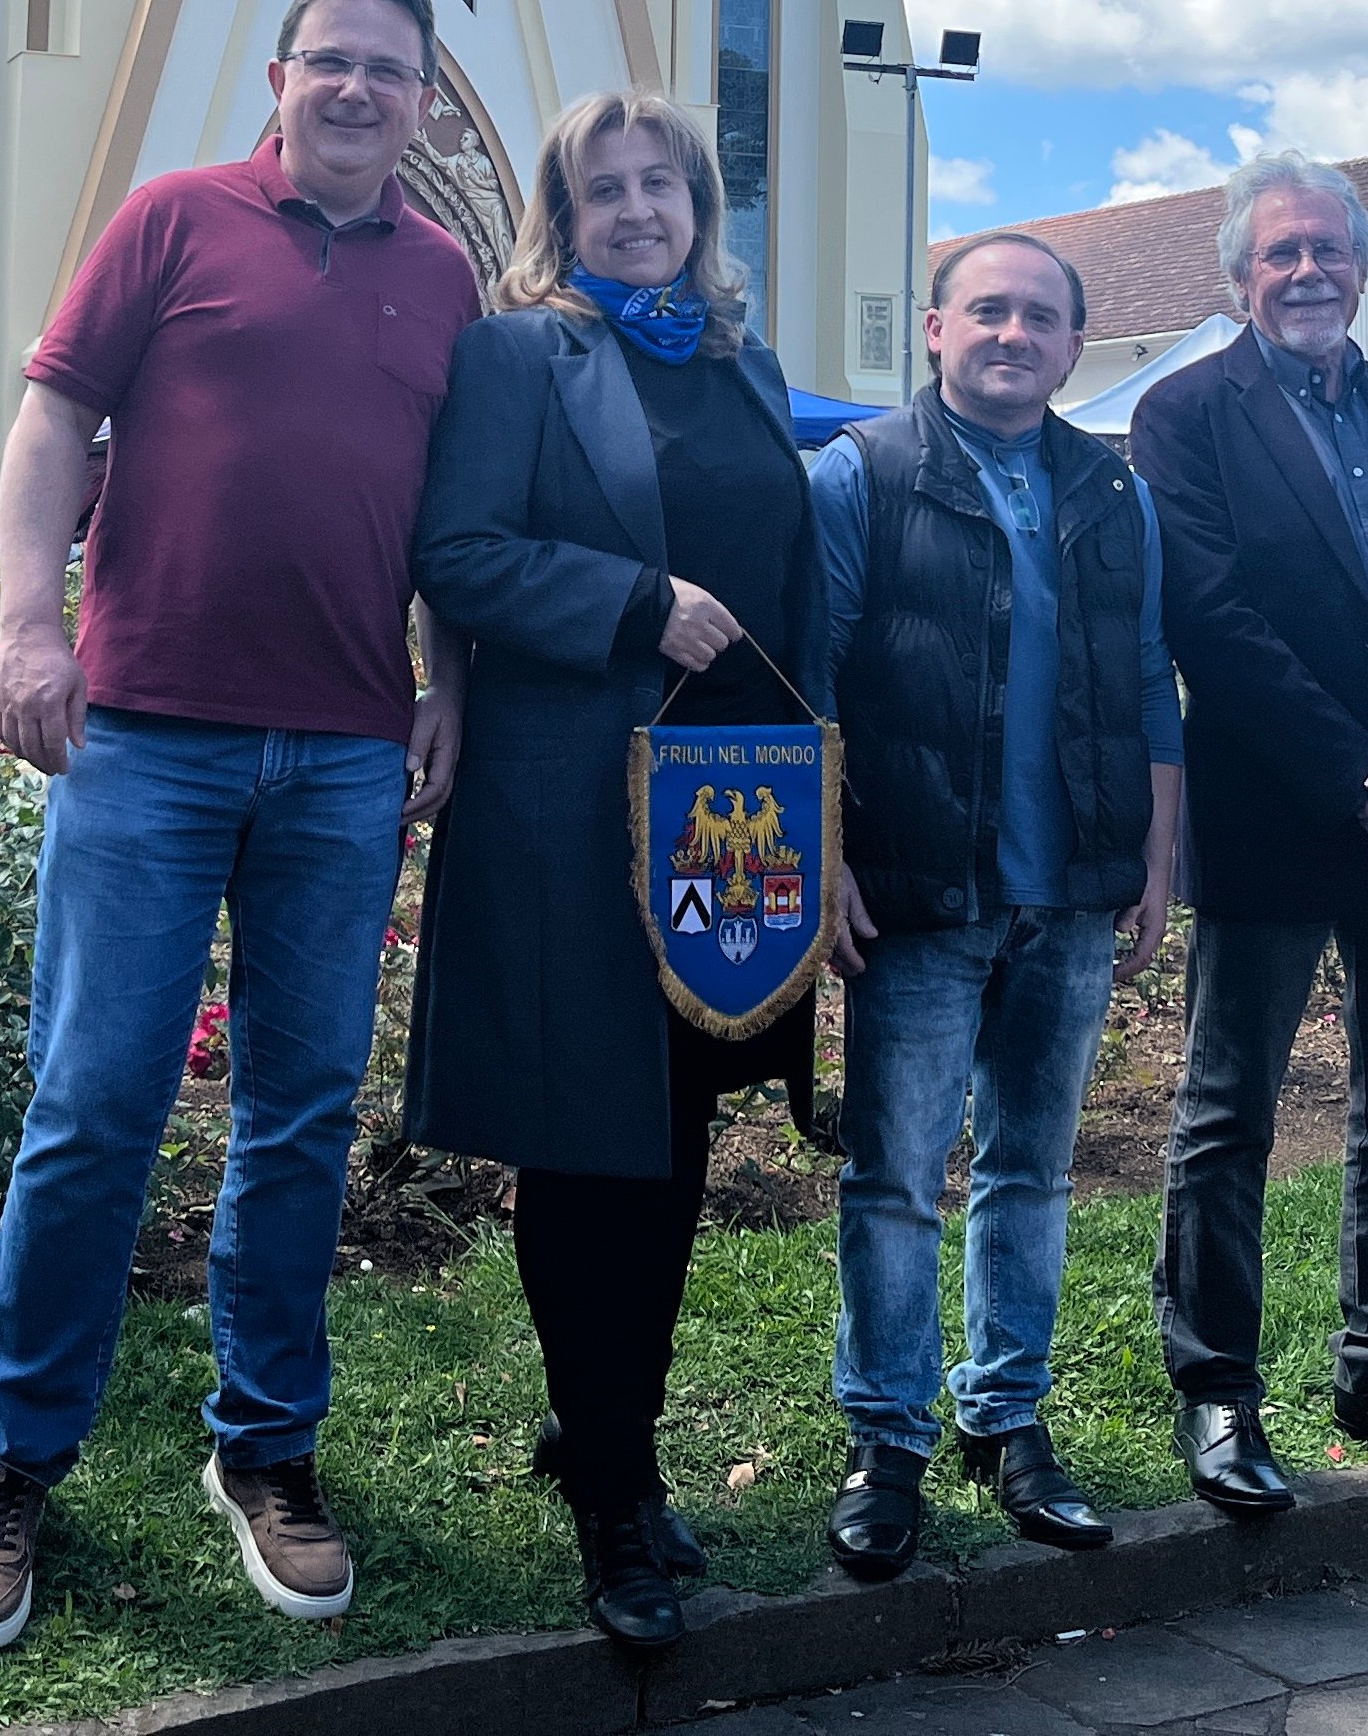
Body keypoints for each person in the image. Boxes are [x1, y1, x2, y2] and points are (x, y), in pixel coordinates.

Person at [0, 0, 472, 1651]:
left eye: (389, 69)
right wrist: (26, 621)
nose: (358, 89)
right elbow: (46, 421)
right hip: (146, 737)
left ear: (426, 99)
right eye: (332, 61)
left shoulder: (448, 277)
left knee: (300, 1115)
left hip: (341, 753)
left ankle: (267, 1448)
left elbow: (451, 510)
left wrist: (449, 678)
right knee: (94, 1104)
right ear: (281, 70)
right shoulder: (171, 221)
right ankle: (10, 1461)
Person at [405, 89, 822, 1651]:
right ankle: (613, 1493)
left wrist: (817, 800)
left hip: (728, 811)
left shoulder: (739, 358)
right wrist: (633, 598)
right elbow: (454, 551)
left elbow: (790, 583)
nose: (637, 207)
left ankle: (598, 1428)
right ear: (561, 216)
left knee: (676, 1129)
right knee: (592, 1145)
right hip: (568, 803)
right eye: (605, 188)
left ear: (701, 205)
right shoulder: (522, 352)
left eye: (663, 183)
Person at [1126, 150, 1368, 1515]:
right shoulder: (1183, 414)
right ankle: (1216, 1389)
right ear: (1237, 273)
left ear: (1363, 266)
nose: (1304, 272)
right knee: (1224, 1114)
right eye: (1277, 252)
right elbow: (1211, 622)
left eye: (1325, 251)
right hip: (1279, 812)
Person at [809, 232, 1181, 1579]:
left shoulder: (1107, 489)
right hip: (916, 880)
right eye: (987, 311)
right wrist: (830, 854)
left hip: (1071, 886)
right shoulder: (859, 474)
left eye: (1038, 316)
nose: (1011, 333)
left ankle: (1007, 1414)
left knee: (1031, 1165)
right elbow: (815, 675)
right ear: (931, 328)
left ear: (1074, 344)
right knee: (895, 1173)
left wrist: (1154, 858)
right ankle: (886, 1438)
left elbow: (1145, 681)